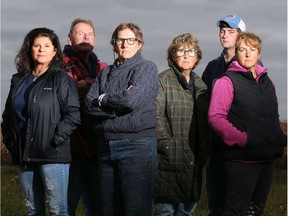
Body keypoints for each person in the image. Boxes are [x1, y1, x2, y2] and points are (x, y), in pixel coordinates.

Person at [1, 27, 81, 216]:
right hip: (24, 156)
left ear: (55, 52)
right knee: (33, 210)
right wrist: (11, 142)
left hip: (52, 156)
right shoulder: (18, 80)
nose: (41, 49)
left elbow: (73, 115)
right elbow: (8, 116)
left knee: (57, 211)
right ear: (29, 49)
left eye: (47, 45)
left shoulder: (60, 78)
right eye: (37, 45)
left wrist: (54, 140)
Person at [208, 32, 287, 216]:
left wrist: (280, 138)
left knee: (255, 212)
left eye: (252, 49)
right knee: (236, 212)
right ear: (236, 53)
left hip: (266, 159)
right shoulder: (226, 82)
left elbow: (272, 117)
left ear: (259, 54)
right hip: (241, 160)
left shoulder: (269, 83)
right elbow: (215, 117)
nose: (248, 54)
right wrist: (243, 139)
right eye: (242, 49)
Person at [84, 22, 159, 216]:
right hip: (105, 145)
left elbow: (131, 101)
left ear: (139, 43)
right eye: (120, 40)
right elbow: (89, 104)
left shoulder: (146, 68)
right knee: (108, 209)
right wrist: (115, 108)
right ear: (114, 44)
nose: (125, 44)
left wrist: (104, 98)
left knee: (136, 209)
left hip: (136, 145)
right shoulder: (105, 72)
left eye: (130, 40)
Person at [153, 33, 210, 216]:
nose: (186, 55)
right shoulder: (163, 80)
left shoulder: (201, 85)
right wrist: (167, 145)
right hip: (169, 159)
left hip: (194, 160)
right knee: (165, 211)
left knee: (186, 213)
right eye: (181, 50)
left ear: (197, 57)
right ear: (172, 55)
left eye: (191, 51)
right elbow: (155, 116)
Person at [201, 14, 246, 216]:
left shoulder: (250, 64)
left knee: (237, 206)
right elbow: (203, 103)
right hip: (215, 147)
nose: (225, 35)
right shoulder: (212, 67)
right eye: (222, 31)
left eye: (231, 31)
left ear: (240, 35)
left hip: (239, 148)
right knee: (216, 204)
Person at [63, 18, 108, 216]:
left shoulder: (101, 66)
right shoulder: (60, 64)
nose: (85, 37)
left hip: (95, 147)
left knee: (98, 205)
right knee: (65, 205)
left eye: (89, 34)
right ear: (70, 38)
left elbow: (110, 95)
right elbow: (64, 95)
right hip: (69, 148)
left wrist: (86, 84)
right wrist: (93, 87)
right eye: (80, 33)